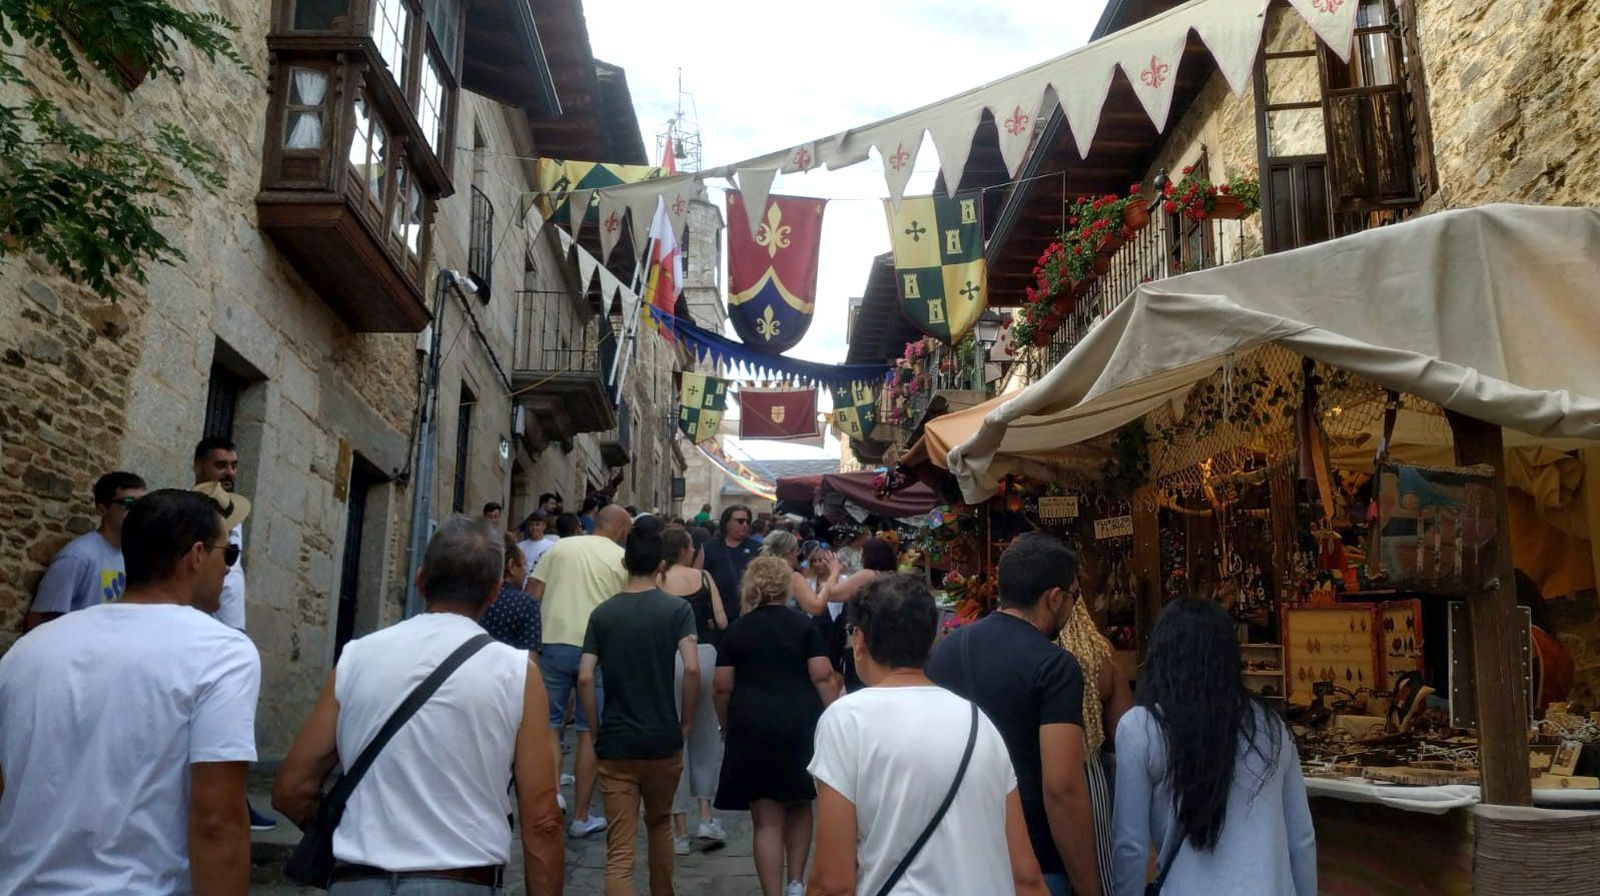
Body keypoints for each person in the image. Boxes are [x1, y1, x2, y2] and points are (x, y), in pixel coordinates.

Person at [273, 515, 563, 896]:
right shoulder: (517, 673)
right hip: (461, 881)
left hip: (357, 881)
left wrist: (354, 834)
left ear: (420, 580)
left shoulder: (357, 656)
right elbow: (542, 820)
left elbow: (291, 789)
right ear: (494, 592)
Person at [1, 489, 260, 894]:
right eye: (228, 554)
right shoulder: (222, 653)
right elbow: (217, 822)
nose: (229, 569)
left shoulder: (27, 650)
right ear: (196, 555)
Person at [808, 574, 1047, 896]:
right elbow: (1026, 877)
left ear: (860, 640)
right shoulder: (979, 722)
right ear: (932, 639)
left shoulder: (846, 720)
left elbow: (833, 883)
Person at [926, 533, 1099, 896]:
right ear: (1055, 598)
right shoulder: (1055, 667)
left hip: (955, 858)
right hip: (1033, 864)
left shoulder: (946, 651)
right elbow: (1062, 789)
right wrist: (1088, 886)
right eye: (1074, 596)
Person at [1112, 598, 1315, 896]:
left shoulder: (1141, 728)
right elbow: (1301, 838)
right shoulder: (1273, 727)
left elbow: (1130, 846)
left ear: (1161, 655)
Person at [577, 526, 699, 896]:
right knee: (660, 825)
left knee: (620, 849)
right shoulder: (677, 610)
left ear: (625, 563)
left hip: (617, 740)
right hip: (662, 738)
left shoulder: (602, 614)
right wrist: (685, 723)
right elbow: (692, 669)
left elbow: (585, 677)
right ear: (661, 564)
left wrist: (595, 730)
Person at [714, 556, 837, 896]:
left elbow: (722, 686)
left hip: (751, 722)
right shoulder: (803, 627)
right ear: (786, 586)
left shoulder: (737, 629)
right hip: (799, 722)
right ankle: (796, 883)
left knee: (766, 819)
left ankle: (772, 892)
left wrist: (725, 724)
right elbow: (823, 676)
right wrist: (835, 716)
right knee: (800, 801)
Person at [527, 504, 633, 838]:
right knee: (589, 731)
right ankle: (580, 816)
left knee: (550, 723)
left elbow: (533, 595)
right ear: (620, 528)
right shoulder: (621, 559)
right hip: (597, 651)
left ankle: (553, 795)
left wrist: (532, 643)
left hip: (554, 642)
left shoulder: (560, 548)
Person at [1057, 586, 1134, 896]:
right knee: (1095, 863)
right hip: (1089, 775)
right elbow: (1123, 733)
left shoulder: (1025, 654)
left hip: (1031, 774)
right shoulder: (1099, 653)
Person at [660, 525, 729, 854]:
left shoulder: (658, 580)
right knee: (705, 736)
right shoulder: (704, 578)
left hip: (669, 658)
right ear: (686, 550)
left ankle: (678, 831)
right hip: (704, 655)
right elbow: (722, 621)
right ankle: (706, 815)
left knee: (675, 739)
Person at [24, 470, 146, 631]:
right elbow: (40, 622)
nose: (138, 510)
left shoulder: (134, 555)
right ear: (102, 509)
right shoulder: (77, 557)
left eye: (143, 504)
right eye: (129, 503)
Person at [817, 537, 898, 693]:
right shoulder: (894, 577)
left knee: (859, 686)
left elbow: (829, 594)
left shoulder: (868, 575)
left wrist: (834, 571)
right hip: (889, 639)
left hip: (866, 640)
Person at [481, 532, 542, 655]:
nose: (525, 572)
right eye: (524, 564)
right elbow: (530, 657)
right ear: (512, 566)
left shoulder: (473, 596)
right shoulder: (526, 604)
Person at [702, 504, 758, 630]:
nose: (745, 525)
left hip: (748, 616)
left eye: (747, 521)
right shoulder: (709, 547)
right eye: (740, 521)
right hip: (718, 616)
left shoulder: (757, 548)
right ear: (727, 523)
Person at [758, 529, 836, 615]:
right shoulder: (792, 577)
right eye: (797, 550)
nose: (798, 555)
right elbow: (816, 608)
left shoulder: (759, 575)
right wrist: (830, 580)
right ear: (788, 552)